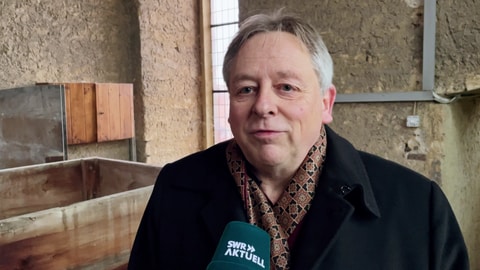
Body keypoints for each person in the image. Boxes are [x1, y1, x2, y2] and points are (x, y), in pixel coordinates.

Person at [128, 9, 469, 270]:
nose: (263, 105)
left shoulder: (418, 208)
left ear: (326, 103)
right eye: (246, 89)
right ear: (230, 105)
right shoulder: (176, 190)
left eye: (286, 88)